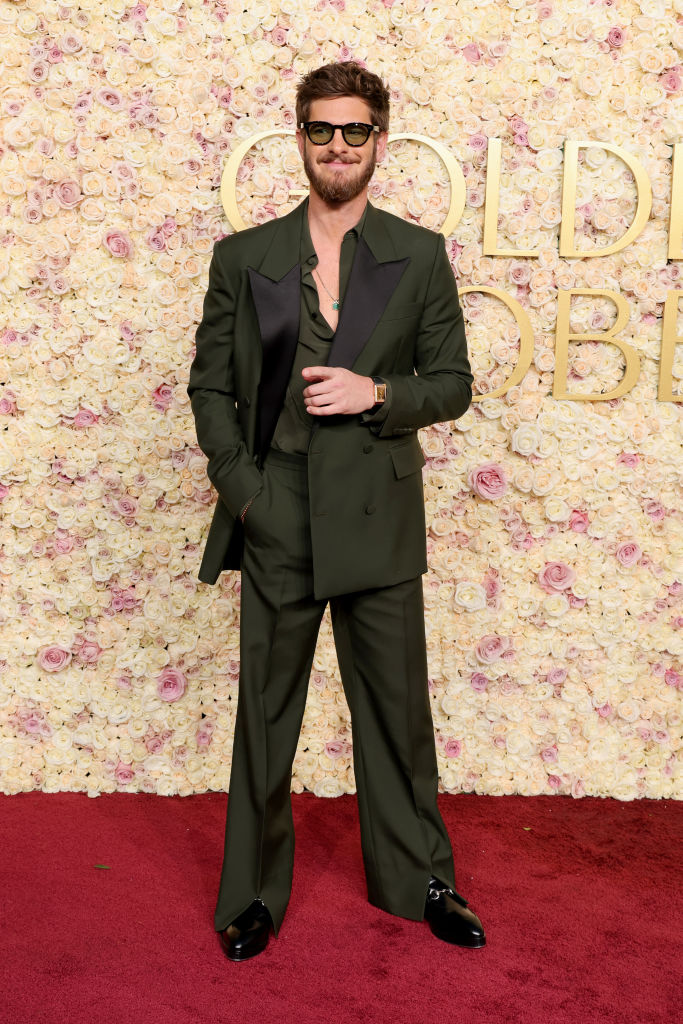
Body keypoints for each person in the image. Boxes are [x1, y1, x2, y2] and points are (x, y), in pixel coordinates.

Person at [187, 61, 485, 962]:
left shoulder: (419, 252)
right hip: (278, 512)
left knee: (395, 713)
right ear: (301, 139)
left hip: (378, 520)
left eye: (356, 131)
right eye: (323, 130)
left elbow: (453, 385)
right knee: (266, 716)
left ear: (379, 142)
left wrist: (375, 390)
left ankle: (420, 880)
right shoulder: (244, 258)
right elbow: (208, 387)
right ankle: (252, 896)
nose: (339, 146)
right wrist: (246, 494)